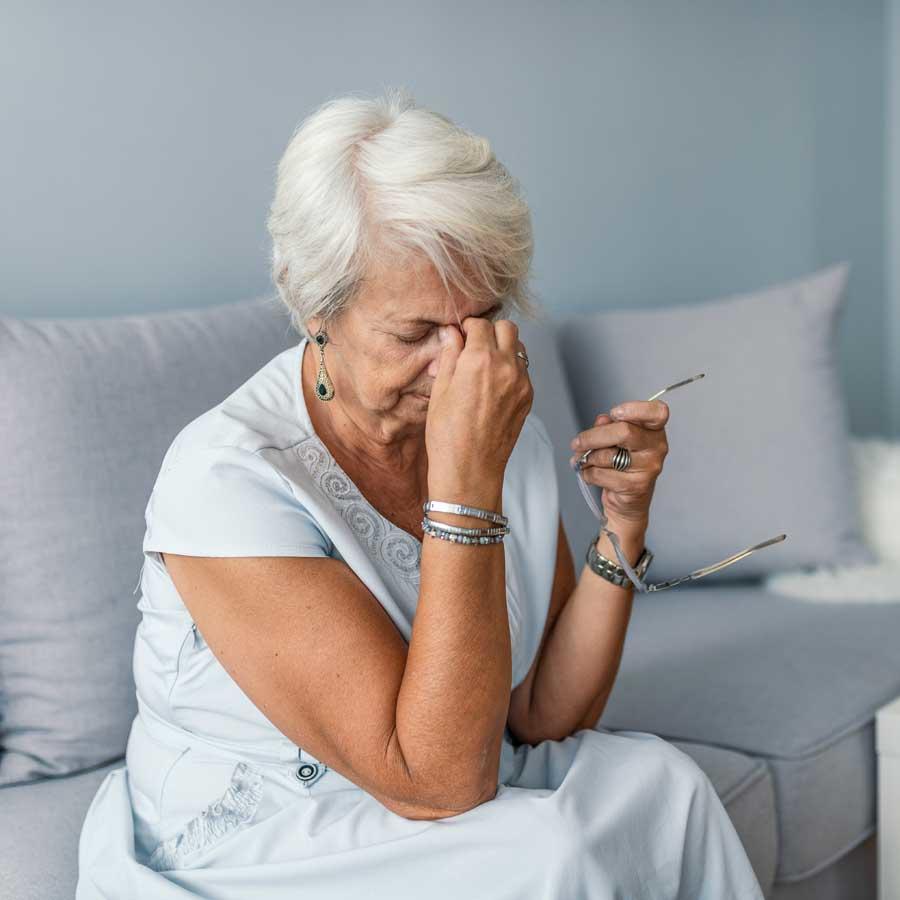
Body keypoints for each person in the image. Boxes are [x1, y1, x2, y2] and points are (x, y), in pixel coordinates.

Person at [76, 87, 764, 900]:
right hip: (271, 834)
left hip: (445, 777)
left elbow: (541, 713)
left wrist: (621, 524)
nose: (459, 366)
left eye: (481, 319)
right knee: (548, 854)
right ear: (313, 306)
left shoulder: (503, 434)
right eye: (414, 334)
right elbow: (433, 782)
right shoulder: (227, 479)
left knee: (666, 785)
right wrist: (466, 481)